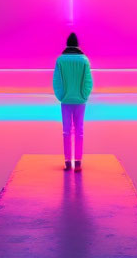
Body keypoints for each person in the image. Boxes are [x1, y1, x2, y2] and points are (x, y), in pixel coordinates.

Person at [52, 32, 93, 171]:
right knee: (79, 131)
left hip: (66, 100)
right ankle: (78, 162)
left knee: (66, 131)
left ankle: (68, 162)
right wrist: (84, 95)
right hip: (80, 101)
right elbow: (88, 81)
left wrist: (61, 96)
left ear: (67, 44)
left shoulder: (60, 60)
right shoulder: (84, 60)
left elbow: (56, 81)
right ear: (77, 45)